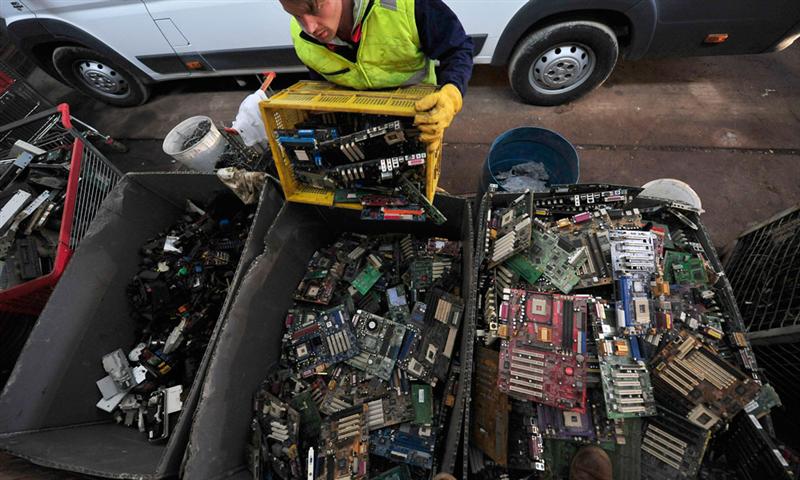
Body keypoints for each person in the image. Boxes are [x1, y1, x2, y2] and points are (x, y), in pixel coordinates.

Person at [278, 0, 474, 156]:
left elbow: (457, 48)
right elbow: (322, 88)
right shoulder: (303, 39)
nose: (310, 27)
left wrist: (452, 93)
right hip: (353, 135)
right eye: (297, 16)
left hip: (416, 120)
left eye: (314, 8)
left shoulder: (407, 4)